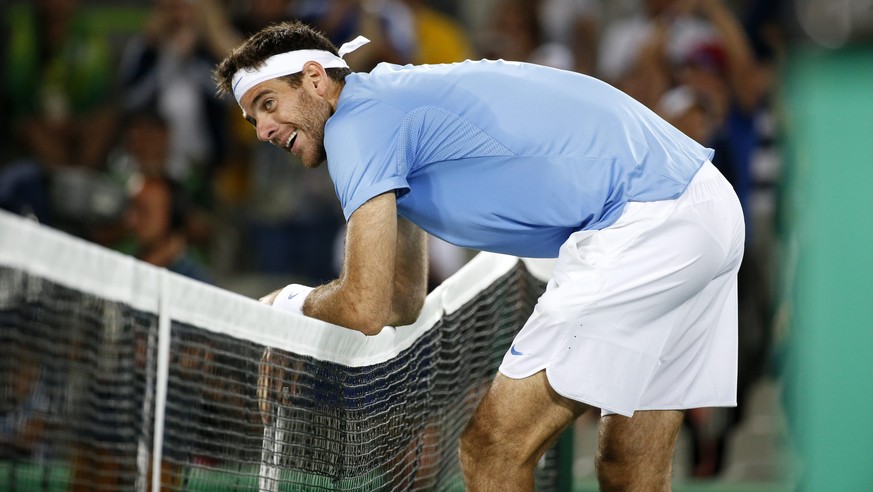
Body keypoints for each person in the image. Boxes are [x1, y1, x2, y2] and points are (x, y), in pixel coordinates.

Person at [214, 21, 745, 490]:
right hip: (707, 206)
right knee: (631, 470)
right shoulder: (387, 107)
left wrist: (287, 307)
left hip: (647, 222)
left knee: (492, 451)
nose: (262, 130)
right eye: (251, 119)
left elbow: (364, 307)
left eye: (267, 104)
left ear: (314, 79)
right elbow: (400, 300)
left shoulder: (355, 122)